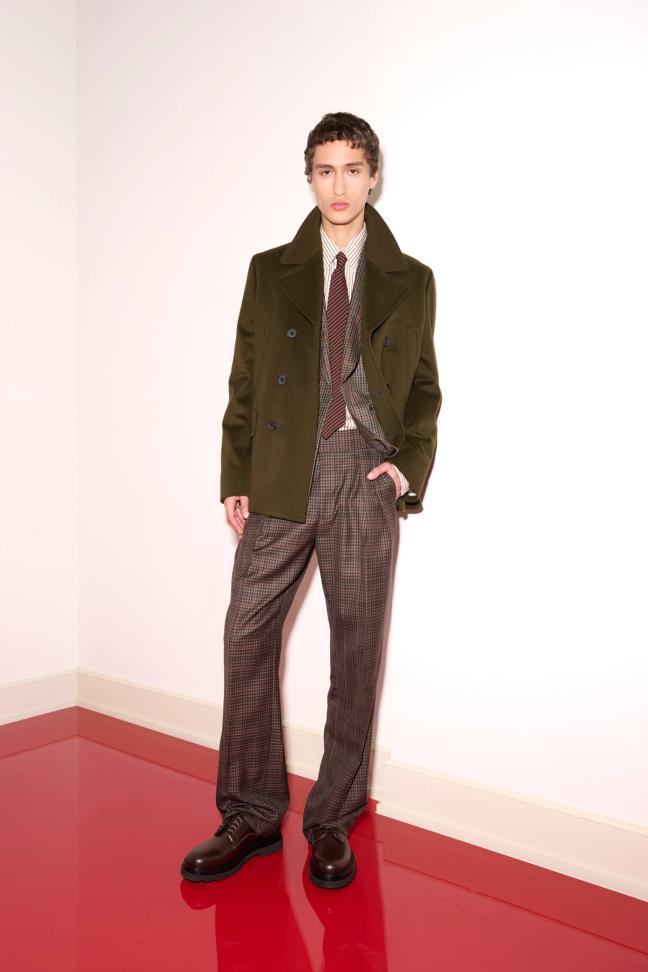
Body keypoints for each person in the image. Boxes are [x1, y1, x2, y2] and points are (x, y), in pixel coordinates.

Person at [181, 111, 442, 889]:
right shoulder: (271, 271)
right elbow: (244, 377)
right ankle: (252, 811)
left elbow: (424, 389)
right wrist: (237, 471)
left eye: (352, 169)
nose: (339, 185)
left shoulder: (412, 280)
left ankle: (332, 819)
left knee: (355, 651)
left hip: (365, 472)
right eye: (325, 170)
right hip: (283, 470)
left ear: (373, 177)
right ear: (310, 177)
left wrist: (406, 467)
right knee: (246, 632)